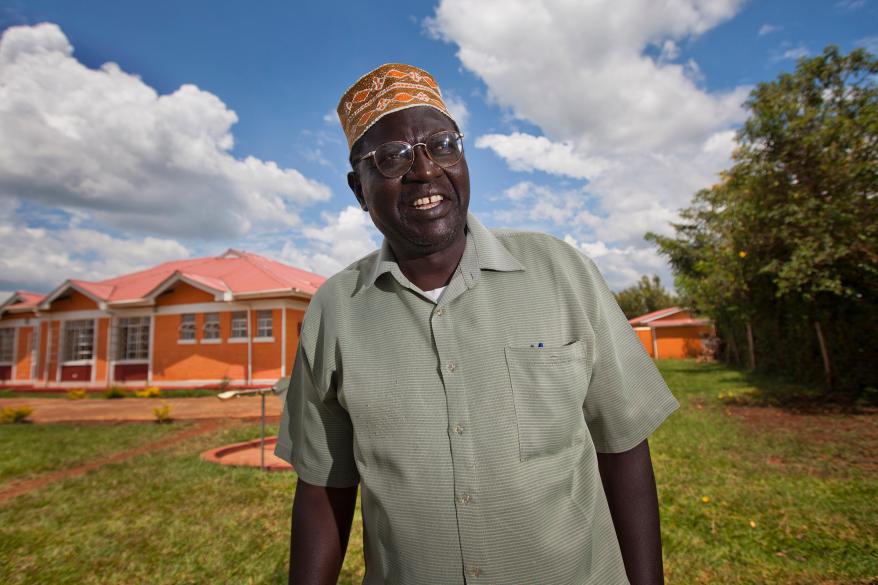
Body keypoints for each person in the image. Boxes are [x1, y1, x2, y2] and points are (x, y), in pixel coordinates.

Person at [274, 63, 679, 585]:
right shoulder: (336, 309)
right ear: (358, 188)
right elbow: (323, 486)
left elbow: (622, 445)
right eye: (393, 157)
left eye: (442, 145)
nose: (425, 171)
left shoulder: (561, 271)